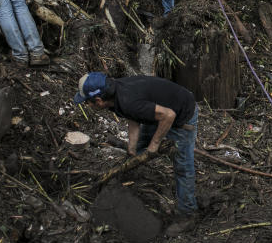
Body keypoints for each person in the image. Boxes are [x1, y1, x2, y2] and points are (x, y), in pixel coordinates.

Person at [73, 72, 200, 234]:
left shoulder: (127, 100)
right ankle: (131, 185)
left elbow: (169, 115)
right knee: (138, 150)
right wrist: (132, 148)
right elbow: (132, 116)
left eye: (88, 103)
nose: (88, 106)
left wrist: (154, 145)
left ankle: (188, 214)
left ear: (98, 101)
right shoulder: (116, 94)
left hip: (182, 113)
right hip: (158, 109)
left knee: (183, 166)